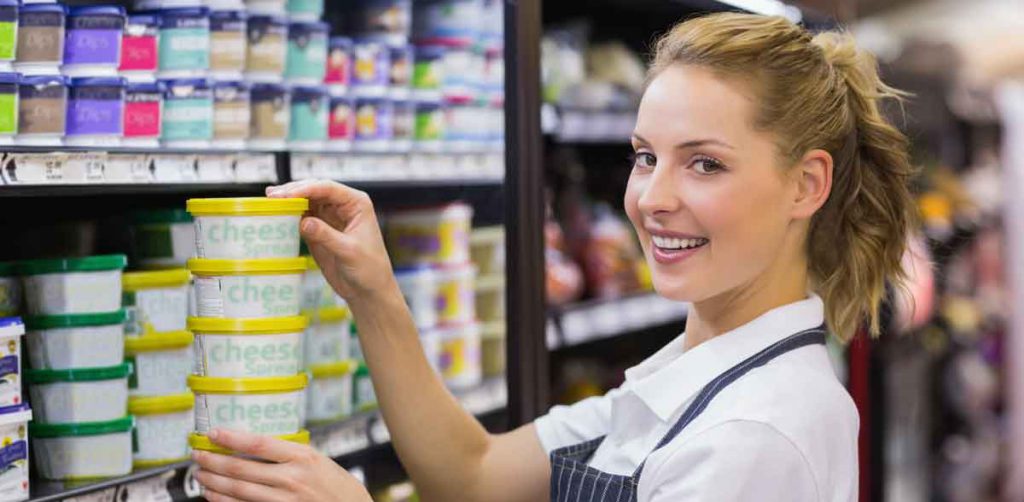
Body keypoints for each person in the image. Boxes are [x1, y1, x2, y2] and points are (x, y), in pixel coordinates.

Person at [192, 12, 915, 502]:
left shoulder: (749, 437)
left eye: (705, 165)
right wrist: (373, 293)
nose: (652, 199)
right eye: (644, 157)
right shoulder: (694, 380)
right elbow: (472, 473)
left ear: (806, 184)